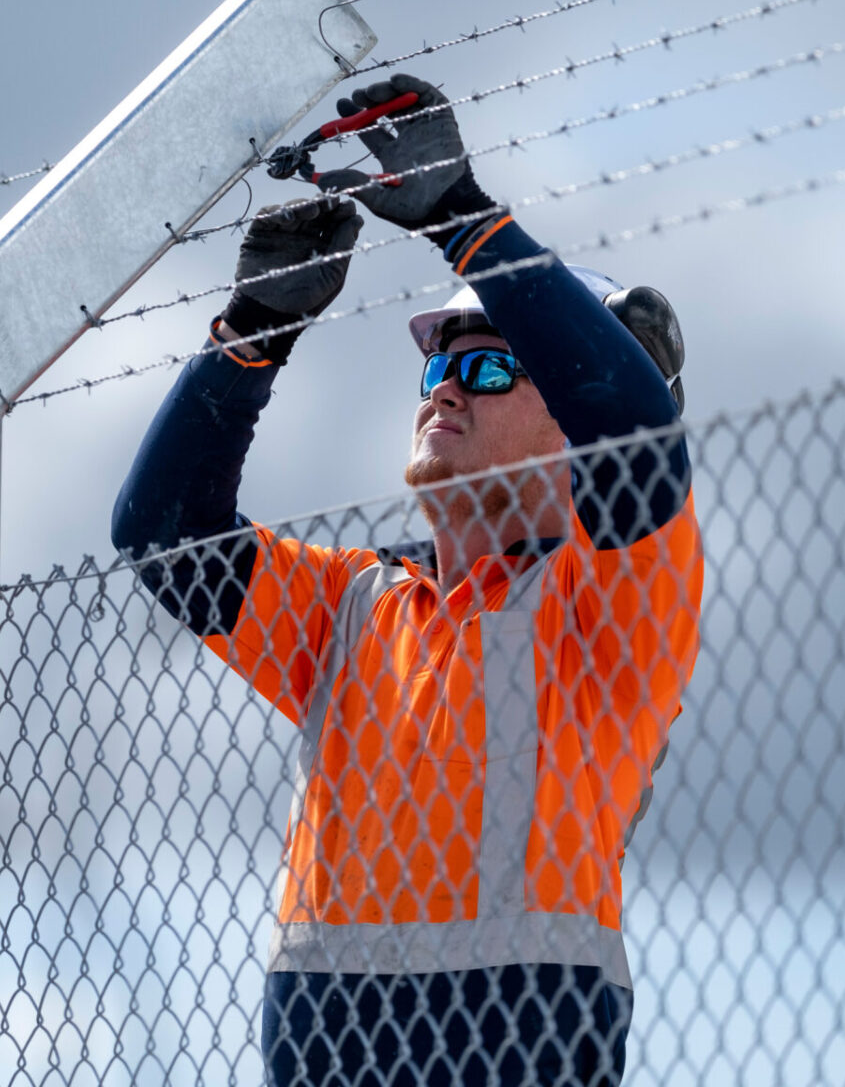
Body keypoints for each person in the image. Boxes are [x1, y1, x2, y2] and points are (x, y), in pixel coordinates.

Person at [111, 74, 704, 1086]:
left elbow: (638, 442)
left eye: (485, 371)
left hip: (521, 1047)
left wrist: (464, 219)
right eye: (437, 369)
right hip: (328, 1051)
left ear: (569, 410)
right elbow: (163, 533)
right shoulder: (354, 607)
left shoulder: (614, 604)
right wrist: (251, 334)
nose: (443, 392)